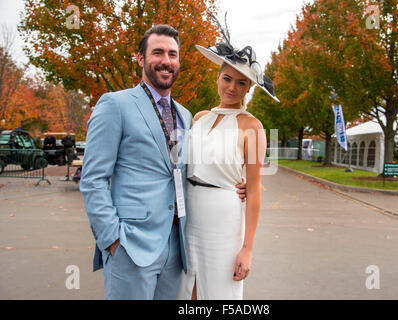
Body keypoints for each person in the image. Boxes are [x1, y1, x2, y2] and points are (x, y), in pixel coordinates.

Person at [80, 25, 246, 300]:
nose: (166, 61)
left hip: (176, 248)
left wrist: (242, 181)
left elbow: (193, 170)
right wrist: (112, 239)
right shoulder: (114, 105)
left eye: (172, 54)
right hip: (130, 245)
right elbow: (92, 178)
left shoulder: (185, 115)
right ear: (141, 59)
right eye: (158, 52)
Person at [176, 29, 280, 300]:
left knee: (220, 291)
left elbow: (255, 191)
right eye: (227, 79)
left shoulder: (253, 127)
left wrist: (247, 249)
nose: (232, 88)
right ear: (218, 78)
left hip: (223, 219)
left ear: (250, 88)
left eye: (242, 83)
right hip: (188, 214)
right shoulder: (199, 118)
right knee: (186, 290)